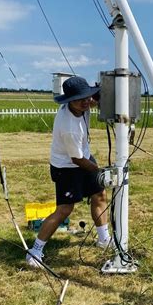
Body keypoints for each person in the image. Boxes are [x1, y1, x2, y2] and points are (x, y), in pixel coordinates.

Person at [26, 76, 110, 268]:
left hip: (83, 157)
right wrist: (101, 172)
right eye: (80, 99)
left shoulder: (84, 104)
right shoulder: (69, 127)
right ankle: (36, 250)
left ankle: (103, 238)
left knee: (99, 194)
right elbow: (77, 160)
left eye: (87, 97)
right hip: (67, 167)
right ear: (69, 101)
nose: (86, 102)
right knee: (65, 209)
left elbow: (96, 96)